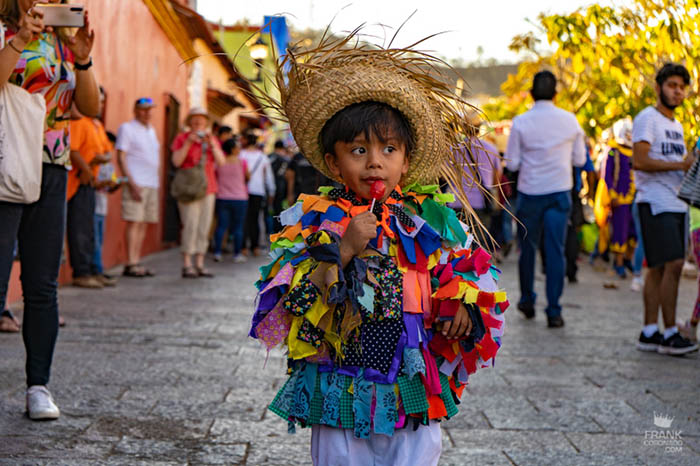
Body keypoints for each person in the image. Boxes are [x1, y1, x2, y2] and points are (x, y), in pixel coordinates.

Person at [248, 31, 508, 466]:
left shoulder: (429, 220)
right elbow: (285, 308)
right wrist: (344, 247)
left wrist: (464, 302)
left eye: (389, 149)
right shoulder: (314, 221)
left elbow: (467, 269)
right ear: (333, 163)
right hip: (341, 381)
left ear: (406, 161)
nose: (375, 161)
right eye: (358, 150)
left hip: (410, 384)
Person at [0, 0, 99, 419]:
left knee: (42, 284)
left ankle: (38, 387)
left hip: (52, 167)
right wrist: (21, 39)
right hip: (5, 163)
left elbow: (90, 110)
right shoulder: (4, 29)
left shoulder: (61, 41)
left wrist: (83, 59)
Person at [506, 70, 586, 328]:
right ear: (555, 94)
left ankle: (527, 299)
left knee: (527, 249)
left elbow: (514, 163)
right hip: (559, 193)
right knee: (555, 251)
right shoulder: (570, 121)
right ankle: (554, 310)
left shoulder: (520, 122)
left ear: (531, 93)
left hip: (530, 194)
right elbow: (580, 160)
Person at [633, 63, 698, 355]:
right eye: (672, 85)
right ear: (659, 87)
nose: (678, 91)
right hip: (655, 201)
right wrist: (680, 164)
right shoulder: (648, 118)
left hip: (676, 201)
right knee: (672, 264)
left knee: (658, 268)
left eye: (682, 87)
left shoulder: (676, 125)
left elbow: (679, 162)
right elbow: (640, 161)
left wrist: (689, 162)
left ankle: (649, 331)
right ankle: (671, 332)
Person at [171, 107, 226, 278]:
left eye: (201, 122)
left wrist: (212, 145)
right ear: (189, 123)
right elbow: (176, 161)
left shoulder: (211, 140)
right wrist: (188, 143)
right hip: (189, 188)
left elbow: (222, 162)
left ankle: (200, 263)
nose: (198, 124)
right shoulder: (181, 138)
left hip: (208, 187)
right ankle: (187, 263)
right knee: (190, 225)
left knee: (204, 226)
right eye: (195, 121)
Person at [66, 92, 112, 289]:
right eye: (96, 100)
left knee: (89, 229)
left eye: (101, 101)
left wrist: (97, 163)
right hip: (77, 181)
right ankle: (81, 272)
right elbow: (73, 150)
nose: (99, 105)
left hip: (90, 180)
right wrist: (86, 167)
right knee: (80, 230)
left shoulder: (96, 124)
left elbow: (106, 152)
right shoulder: (79, 120)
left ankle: (93, 269)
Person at [116, 97, 161, 277]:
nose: (147, 112)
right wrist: (131, 182)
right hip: (137, 183)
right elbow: (121, 156)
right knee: (134, 221)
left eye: (150, 109)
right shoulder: (127, 128)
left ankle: (136, 260)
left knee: (143, 223)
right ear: (135, 110)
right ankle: (131, 262)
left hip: (151, 183)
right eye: (143, 109)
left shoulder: (151, 130)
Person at [604, 118, 636, 279]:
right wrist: (612, 195)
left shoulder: (635, 152)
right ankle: (618, 263)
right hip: (620, 200)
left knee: (634, 232)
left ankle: (628, 259)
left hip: (634, 199)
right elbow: (607, 175)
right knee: (620, 232)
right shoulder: (613, 151)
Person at [213, 137, 249, 263]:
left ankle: (217, 253)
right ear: (233, 149)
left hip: (222, 197)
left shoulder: (219, 162)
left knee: (221, 226)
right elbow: (247, 176)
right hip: (240, 198)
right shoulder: (242, 162)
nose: (240, 149)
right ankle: (237, 254)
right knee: (238, 227)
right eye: (238, 147)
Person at [239, 131, 274, 256]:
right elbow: (268, 177)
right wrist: (271, 191)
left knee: (243, 219)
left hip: (241, 190)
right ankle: (255, 247)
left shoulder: (240, 155)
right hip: (258, 191)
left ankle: (242, 247)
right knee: (255, 219)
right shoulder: (263, 157)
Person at [92, 129, 120, 287]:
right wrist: (104, 184)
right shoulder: (96, 160)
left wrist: (115, 185)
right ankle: (96, 270)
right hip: (94, 205)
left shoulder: (109, 165)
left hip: (103, 207)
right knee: (94, 240)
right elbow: (91, 180)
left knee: (100, 239)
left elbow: (112, 183)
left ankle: (99, 269)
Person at [269, 140, 292, 232]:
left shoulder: (269, 157)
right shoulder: (286, 160)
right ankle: (280, 229)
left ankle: (272, 229)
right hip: (283, 188)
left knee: (271, 209)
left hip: (270, 188)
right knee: (281, 209)